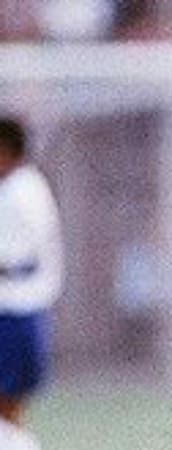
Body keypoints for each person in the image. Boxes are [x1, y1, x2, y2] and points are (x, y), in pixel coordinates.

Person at [0, 117, 63, 450]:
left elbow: (16, 259)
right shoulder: (17, 187)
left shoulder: (22, 191)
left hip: (17, 311)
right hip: (17, 311)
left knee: (8, 409)